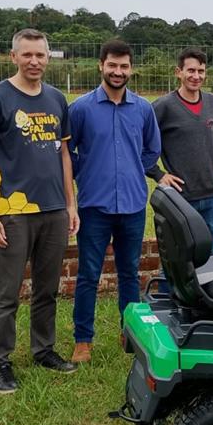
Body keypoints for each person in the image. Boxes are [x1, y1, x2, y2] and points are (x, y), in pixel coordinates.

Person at [0, 28, 79, 394]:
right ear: (13, 56)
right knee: (7, 292)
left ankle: (43, 349)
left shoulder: (56, 99)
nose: (34, 61)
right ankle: (0, 362)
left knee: (47, 288)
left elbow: (64, 154)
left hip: (53, 210)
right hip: (12, 213)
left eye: (40, 55)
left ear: (48, 58)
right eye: (27, 55)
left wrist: (70, 203)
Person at [67, 39, 161, 363]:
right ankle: (83, 341)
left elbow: (152, 150)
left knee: (129, 273)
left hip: (133, 204)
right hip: (94, 206)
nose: (117, 72)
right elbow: (68, 152)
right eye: (112, 65)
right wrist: (87, 171)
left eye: (123, 66)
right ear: (101, 66)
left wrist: (134, 168)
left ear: (131, 68)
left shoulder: (143, 109)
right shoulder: (80, 108)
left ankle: (129, 333)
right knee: (88, 275)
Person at [150, 48, 213, 255]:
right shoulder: (163, 107)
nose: (196, 76)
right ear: (178, 72)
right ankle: (171, 289)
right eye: (190, 71)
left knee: (209, 256)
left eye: (201, 71)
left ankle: (206, 289)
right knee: (177, 255)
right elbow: (140, 143)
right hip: (180, 197)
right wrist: (158, 174)